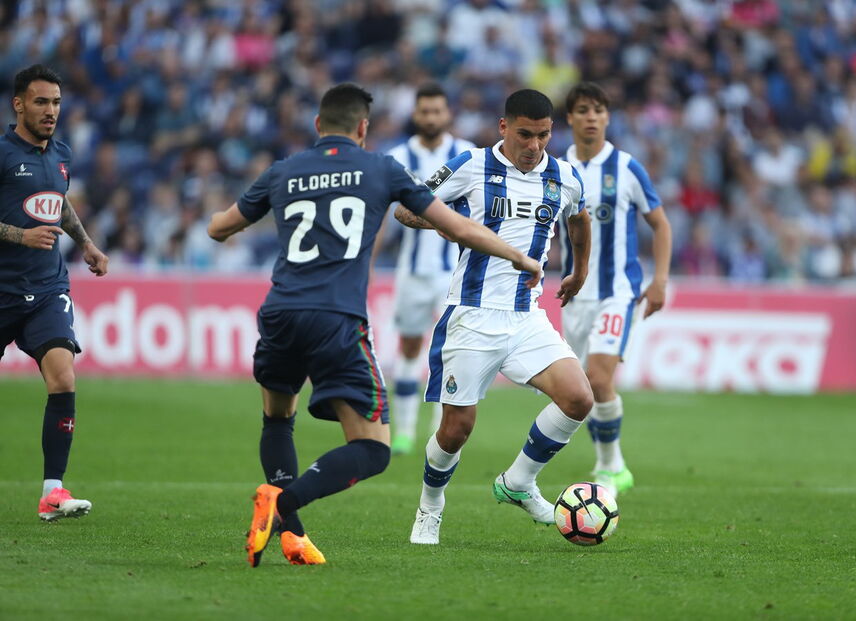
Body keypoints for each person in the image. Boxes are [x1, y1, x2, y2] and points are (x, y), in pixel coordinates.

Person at [207, 83, 542, 567]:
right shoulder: (379, 168)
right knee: (372, 449)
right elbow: (457, 226)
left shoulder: (284, 172)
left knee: (278, 418)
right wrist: (518, 255)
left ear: (319, 125)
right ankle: (285, 505)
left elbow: (220, 228)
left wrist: (244, 209)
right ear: (364, 128)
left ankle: (292, 536)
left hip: (279, 313)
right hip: (336, 320)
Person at [395, 89, 594, 545]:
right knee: (456, 429)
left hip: (527, 318)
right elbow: (408, 209)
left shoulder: (564, 176)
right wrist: (455, 223)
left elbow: (578, 220)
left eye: (544, 135)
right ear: (504, 128)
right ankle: (430, 505)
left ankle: (519, 482)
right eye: (525, 134)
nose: (535, 145)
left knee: (579, 398)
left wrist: (578, 271)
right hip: (471, 315)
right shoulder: (470, 165)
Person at [0, 64, 109, 521]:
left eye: (57, 103)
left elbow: (58, 204)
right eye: (41, 102)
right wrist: (19, 236)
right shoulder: (2, 154)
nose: (51, 111)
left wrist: (85, 243)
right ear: (19, 104)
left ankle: (53, 492)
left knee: (63, 377)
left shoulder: (60, 153)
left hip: (46, 287)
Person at [560, 82, 672, 497]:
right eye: (583, 110)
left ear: (607, 118)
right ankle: (611, 463)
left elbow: (660, 224)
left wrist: (659, 281)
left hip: (618, 292)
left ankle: (611, 466)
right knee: (583, 391)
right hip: (573, 295)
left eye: (599, 110)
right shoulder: (556, 170)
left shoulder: (626, 168)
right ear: (569, 118)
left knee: (598, 377)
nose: (592, 117)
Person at [384, 83, 475, 455]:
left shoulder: (467, 155)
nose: (432, 117)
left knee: (450, 352)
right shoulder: (397, 157)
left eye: (438, 110)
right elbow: (382, 217)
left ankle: (439, 431)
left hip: (456, 272)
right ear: (415, 114)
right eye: (425, 111)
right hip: (412, 271)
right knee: (408, 347)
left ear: (447, 113)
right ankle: (404, 432)